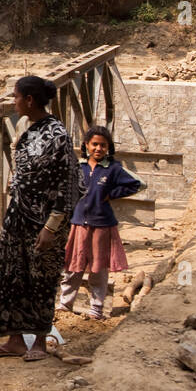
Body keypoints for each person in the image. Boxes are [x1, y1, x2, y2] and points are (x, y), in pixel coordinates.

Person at [0, 75, 83, 361]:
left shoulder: (57, 135)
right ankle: (15, 340)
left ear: (30, 100)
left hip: (45, 222)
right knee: (12, 274)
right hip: (19, 215)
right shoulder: (25, 127)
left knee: (41, 278)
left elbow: (69, 184)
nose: (14, 101)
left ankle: (40, 343)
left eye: (17, 96)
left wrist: (51, 227)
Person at [58, 126, 143, 320]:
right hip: (79, 223)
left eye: (103, 145)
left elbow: (137, 183)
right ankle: (65, 305)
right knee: (73, 266)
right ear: (86, 145)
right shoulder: (78, 167)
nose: (98, 148)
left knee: (98, 269)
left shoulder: (113, 169)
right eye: (94, 144)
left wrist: (112, 194)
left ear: (108, 147)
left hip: (102, 225)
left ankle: (96, 309)